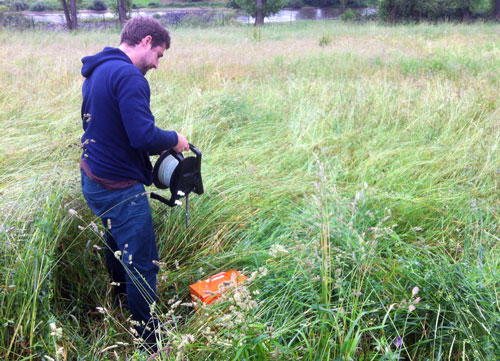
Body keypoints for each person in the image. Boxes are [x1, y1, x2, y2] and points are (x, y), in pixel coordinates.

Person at [79, 16, 189, 350]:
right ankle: (150, 344)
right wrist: (175, 139)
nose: (157, 64)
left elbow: (100, 123)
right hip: (118, 186)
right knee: (142, 262)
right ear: (145, 42)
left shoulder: (99, 68)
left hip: (93, 177)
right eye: (158, 55)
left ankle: (118, 300)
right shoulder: (129, 77)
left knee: (116, 243)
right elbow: (142, 136)